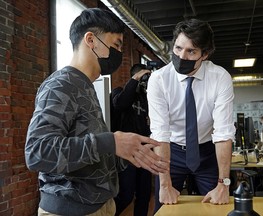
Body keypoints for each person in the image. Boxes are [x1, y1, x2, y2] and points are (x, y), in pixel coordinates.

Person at [24, 8, 169, 216]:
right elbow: (37, 152)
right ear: (91, 40)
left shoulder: (86, 86)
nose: (118, 53)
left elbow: (89, 149)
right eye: (116, 45)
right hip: (71, 210)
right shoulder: (61, 85)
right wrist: (111, 142)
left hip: (99, 206)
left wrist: (127, 151)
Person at [147, 18, 235, 213]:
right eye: (178, 48)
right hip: (171, 154)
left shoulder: (220, 77)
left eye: (191, 51)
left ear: (205, 54)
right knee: (164, 209)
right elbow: (160, 134)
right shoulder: (159, 79)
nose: (181, 56)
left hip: (206, 153)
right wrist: (164, 185)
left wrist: (224, 184)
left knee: (220, 207)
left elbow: (223, 133)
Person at [112, 64, 152, 216]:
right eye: (142, 78)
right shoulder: (119, 92)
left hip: (145, 151)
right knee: (126, 195)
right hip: (126, 152)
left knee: (144, 194)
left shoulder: (145, 98)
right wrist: (135, 79)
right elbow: (120, 104)